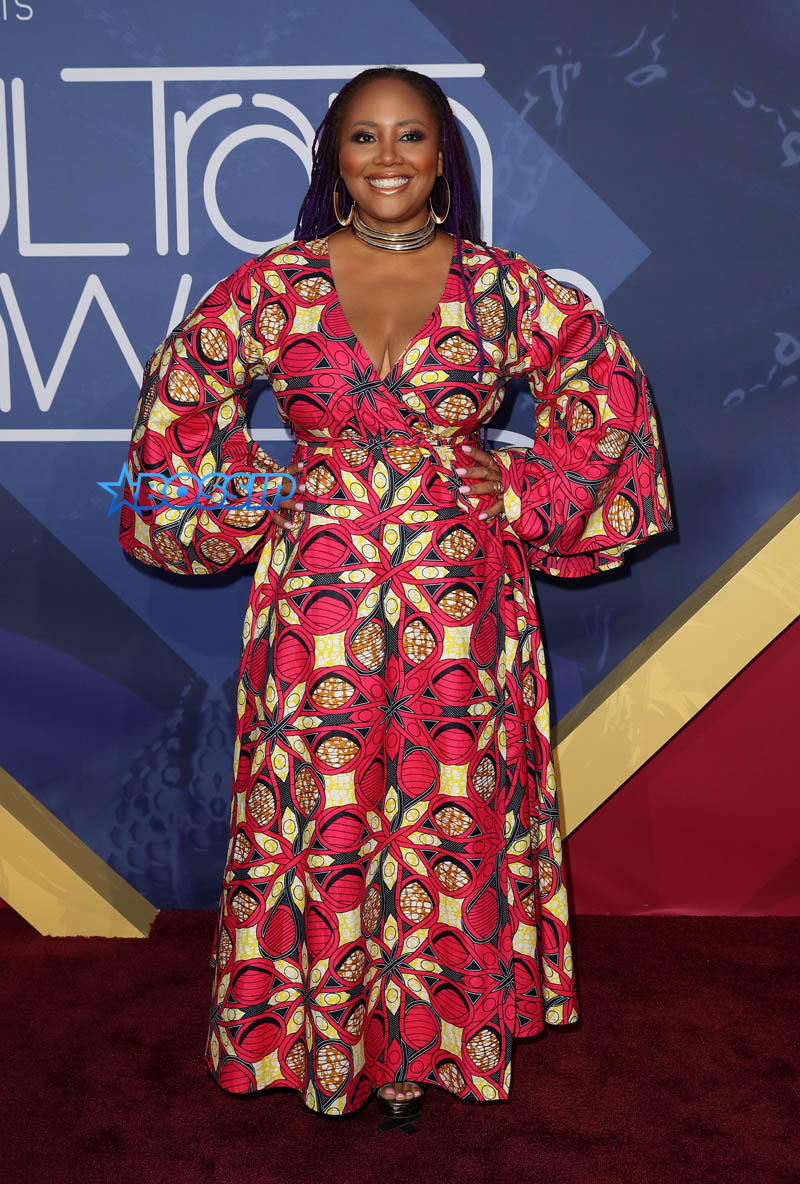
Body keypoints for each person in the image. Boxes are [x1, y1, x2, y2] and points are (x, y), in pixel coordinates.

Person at [119, 65, 673, 1120]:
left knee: (442, 814)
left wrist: (520, 482)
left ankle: (428, 1047)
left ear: (441, 156)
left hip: (459, 601)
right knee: (318, 818)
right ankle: (322, 1035)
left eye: (409, 136)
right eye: (363, 137)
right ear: (333, 154)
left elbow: (606, 400)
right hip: (314, 605)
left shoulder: (504, 285)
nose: (385, 158)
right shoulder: (275, 286)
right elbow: (177, 402)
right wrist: (255, 490)